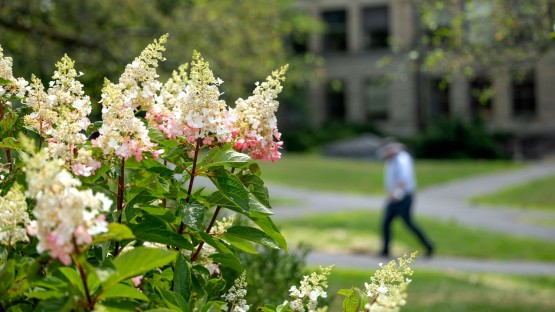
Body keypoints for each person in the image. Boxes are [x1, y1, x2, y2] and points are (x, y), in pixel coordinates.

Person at [377, 140, 434, 258]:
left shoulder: (402, 159)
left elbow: (403, 178)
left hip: (402, 197)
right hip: (394, 197)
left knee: (408, 223)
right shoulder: (391, 161)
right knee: (386, 222)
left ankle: (429, 245)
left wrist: (395, 193)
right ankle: (385, 250)